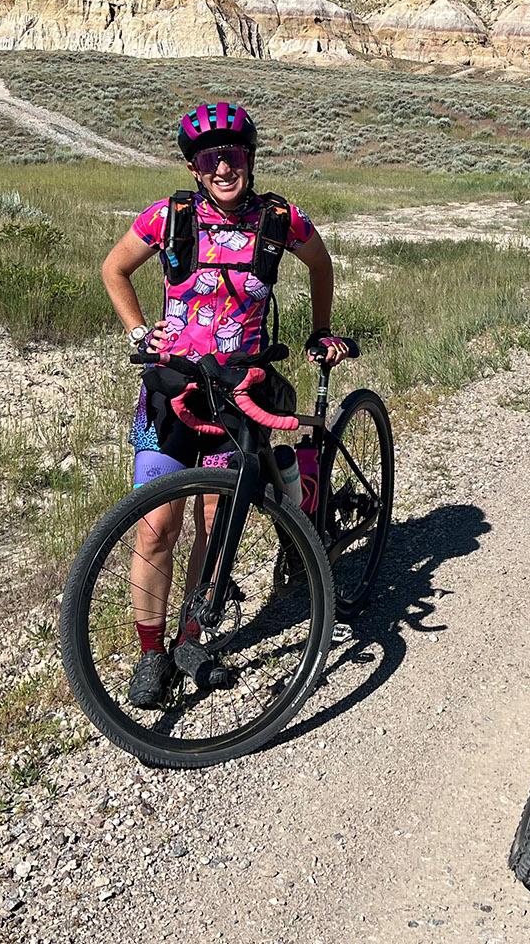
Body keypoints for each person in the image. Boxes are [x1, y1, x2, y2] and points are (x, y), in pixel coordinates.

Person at [102, 101, 348, 707]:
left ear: (250, 159)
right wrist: (139, 333)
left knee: (216, 522)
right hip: (172, 390)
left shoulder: (280, 219)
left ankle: (193, 634)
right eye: (209, 158)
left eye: (233, 155)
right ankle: (150, 651)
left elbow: (321, 264)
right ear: (193, 168)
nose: (222, 168)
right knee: (157, 526)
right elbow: (114, 269)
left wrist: (321, 330)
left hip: (237, 396)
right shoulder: (169, 217)